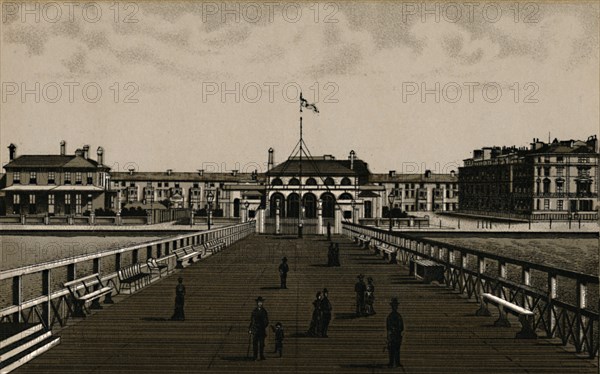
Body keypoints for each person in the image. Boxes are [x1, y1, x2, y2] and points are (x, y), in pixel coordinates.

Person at [249, 296, 269, 361]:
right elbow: (252, 320)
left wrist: (264, 324)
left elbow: (266, 320)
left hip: (262, 329)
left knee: (261, 344)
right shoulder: (254, 311)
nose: (259, 303)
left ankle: (261, 355)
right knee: (255, 344)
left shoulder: (264, 311)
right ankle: (255, 356)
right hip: (256, 329)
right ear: (257, 303)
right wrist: (251, 329)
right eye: (258, 302)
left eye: (260, 302)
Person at [386, 298, 404, 368]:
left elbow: (401, 326)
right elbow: (388, 326)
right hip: (394, 334)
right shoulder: (392, 316)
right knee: (393, 349)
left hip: (396, 334)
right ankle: (393, 362)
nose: (395, 307)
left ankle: (395, 362)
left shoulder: (395, 316)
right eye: (394, 306)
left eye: (395, 306)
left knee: (396, 349)